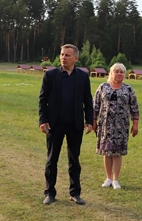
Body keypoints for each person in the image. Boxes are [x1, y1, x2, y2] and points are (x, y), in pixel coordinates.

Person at [38, 44, 94, 206]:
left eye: (67, 55)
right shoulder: (50, 75)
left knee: (74, 160)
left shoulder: (83, 77)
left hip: (75, 125)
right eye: (62, 54)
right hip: (54, 124)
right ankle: (50, 193)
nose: (64, 57)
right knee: (51, 159)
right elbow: (42, 100)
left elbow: (87, 101)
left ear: (75, 58)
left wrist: (89, 121)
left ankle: (75, 193)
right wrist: (43, 120)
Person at [93, 63, 139, 190]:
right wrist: (93, 121)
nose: (119, 74)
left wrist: (135, 124)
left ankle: (115, 179)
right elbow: (95, 106)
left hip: (121, 126)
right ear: (111, 73)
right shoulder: (103, 87)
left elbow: (134, 108)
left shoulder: (128, 89)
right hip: (105, 125)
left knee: (117, 152)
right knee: (107, 152)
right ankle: (108, 178)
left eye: (122, 72)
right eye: (116, 71)